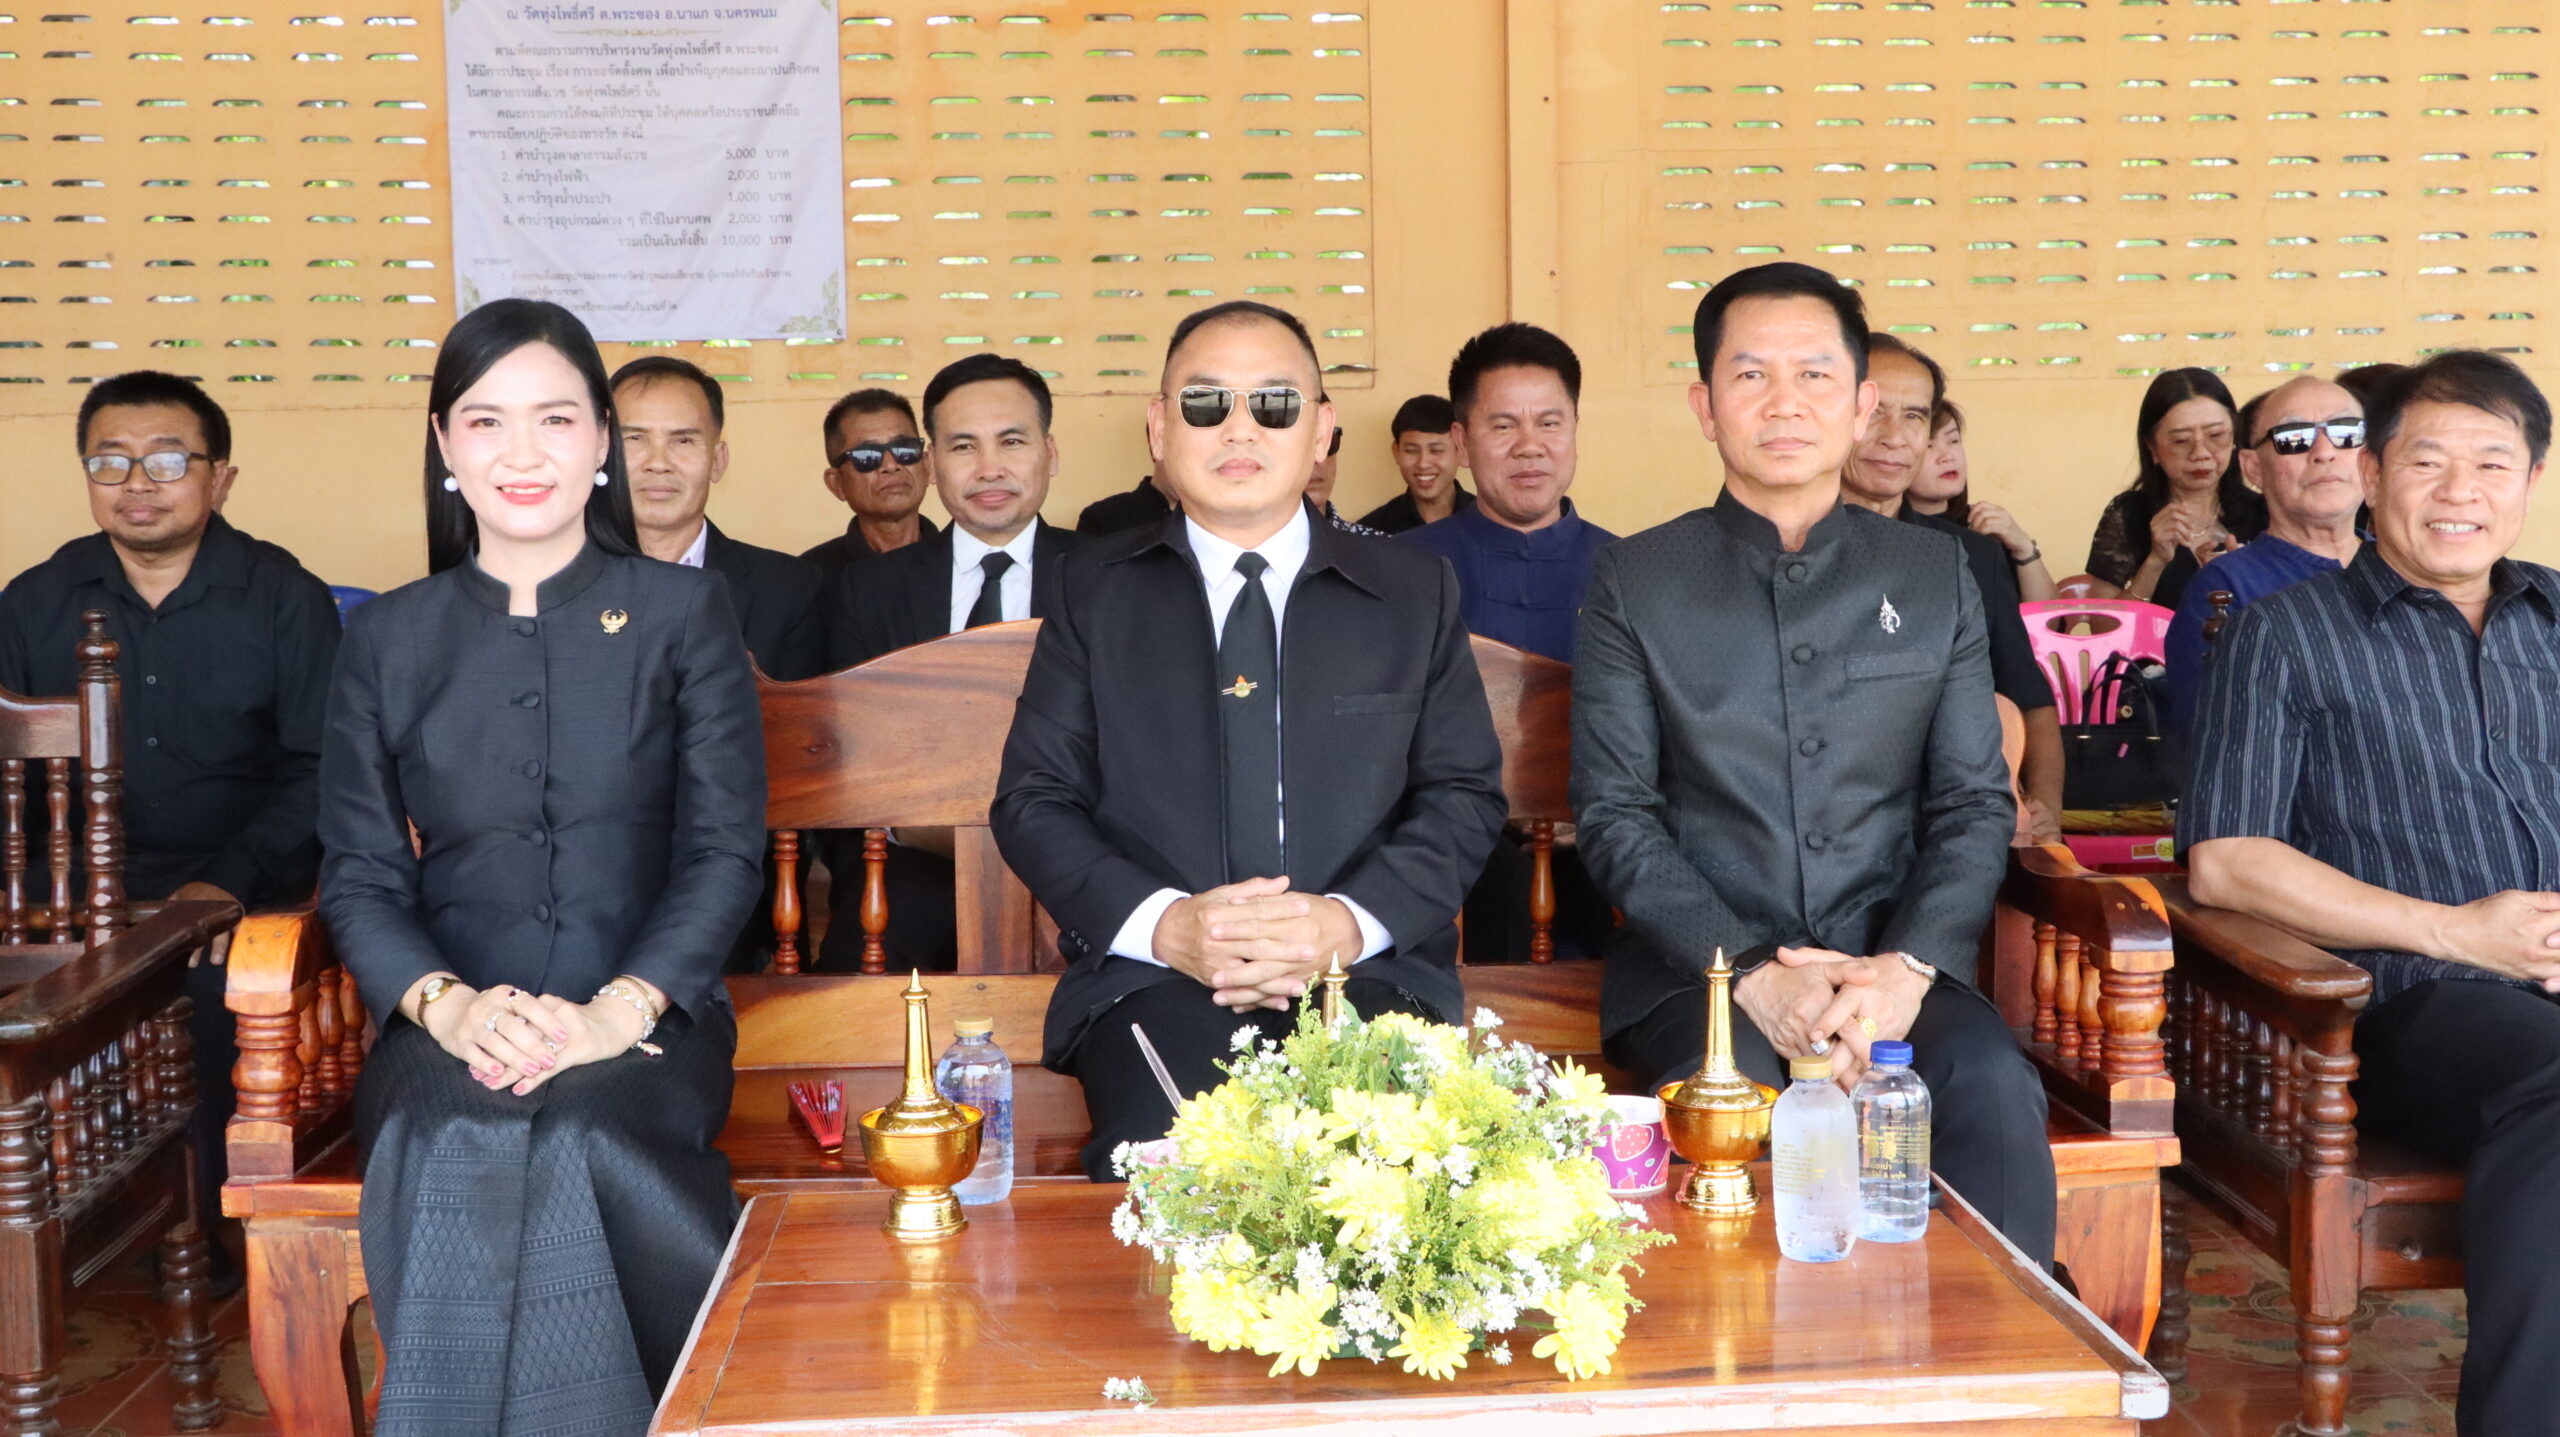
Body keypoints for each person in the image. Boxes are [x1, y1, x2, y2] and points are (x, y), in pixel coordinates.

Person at [319, 299, 764, 1434]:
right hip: (446, 1025)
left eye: (556, 419)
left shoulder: (683, 612)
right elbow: (362, 874)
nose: (523, 454)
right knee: (454, 1127)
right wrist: (450, 1011)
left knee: (582, 1132)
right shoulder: (387, 639)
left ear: (602, 444)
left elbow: (722, 848)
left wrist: (619, 1012)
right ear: (444, 447)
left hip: (651, 1017)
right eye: (486, 422)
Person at [1573, 261, 2054, 1267]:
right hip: (1700, 981)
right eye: (1749, 376)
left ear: (1862, 404)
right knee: (1742, 1101)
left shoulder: (1936, 576)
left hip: (1896, 961)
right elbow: (1615, 814)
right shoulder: (1636, 577)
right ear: (1705, 406)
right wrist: (1747, 972)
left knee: (1991, 1087)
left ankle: (2006, 1391)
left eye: (1814, 376)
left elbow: (1972, 803)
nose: (1783, 403)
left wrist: (1904, 969)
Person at [992, 300, 1506, 1180]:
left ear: (1320, 430)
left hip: (1368, 974)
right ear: (1159, 428)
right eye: (1204, 404)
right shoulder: (1095, 593)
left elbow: (1463, 795)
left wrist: (1344, 923)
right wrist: (1170, 926)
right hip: (1156, 978)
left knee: (1396, 1182)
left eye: (1273, 403)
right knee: (1180, 1175)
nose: (1238, 428)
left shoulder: (1412, 591)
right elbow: (1034, 800)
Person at [2180, 350, 2560, 1436]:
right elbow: (2223, 858)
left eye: (2492, 462)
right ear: (2374, 472)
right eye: (2427, 460)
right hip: (2406, 1005)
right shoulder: (2284, 633)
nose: (2460, 491)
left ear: (2529, 479)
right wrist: (2459, 933)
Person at [0, 369, 340, 1290]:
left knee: (203, 1002)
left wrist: (220, 887)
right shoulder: (33, 603)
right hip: (69, 896)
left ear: (219, 477)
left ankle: (198, 1236)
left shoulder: (284, 600)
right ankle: (54, 1239)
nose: (136, 480)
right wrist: (49, 905)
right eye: (109, 459)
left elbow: (324, 772)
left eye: (165, 458)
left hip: (237, 892)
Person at [820, 352, 1086, 970]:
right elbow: (850, 753)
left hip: (1079, 868)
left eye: (1012, 441)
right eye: (963, 446)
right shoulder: (871, 590)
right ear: (933, 463)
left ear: (1049, 453)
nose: (990, 468)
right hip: (914, 869)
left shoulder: (1106, 577)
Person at [1838, 337, 2064, 841]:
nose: (1895, 437)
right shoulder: (1787, 552)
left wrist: (2046, 804)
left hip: (1961, 829)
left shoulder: (1971, 557)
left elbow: (2028, 698)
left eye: (1916, 417)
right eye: (1874, 412)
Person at [1400, 322, 1617, 664]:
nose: (1529, 447)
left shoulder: (1626, 572)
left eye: (1549, 424)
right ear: (1462, 444)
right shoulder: (1402, 566)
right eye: (1503, 426)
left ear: (1575, 430)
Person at [2161, 375, 2367, 735]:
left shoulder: (2410, 568)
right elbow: (2212, 739)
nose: (2324, 451)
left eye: (2346, 432)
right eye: (2294, 438)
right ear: (2253, 468)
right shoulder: (2225, 586)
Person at [612, 356, 824, 680]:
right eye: (635, 438)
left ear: (717, 461)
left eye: (683, 440)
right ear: (601, 454)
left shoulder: (788, 590)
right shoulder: (551, 580)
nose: (658, 463)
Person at [2084, 367, 2269, 611]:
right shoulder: (2129, 513)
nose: (2201, 453)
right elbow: (2104, 628)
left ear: (2234, 437)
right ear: (2152, 448)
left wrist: (2240, 578)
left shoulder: (2264, 511)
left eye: (2216, 435)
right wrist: (2155, 561)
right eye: (2181, 441)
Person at [1908, 398, 2059, 602]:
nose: (1948, 456)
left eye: (1954, 441)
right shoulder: (1888, 529)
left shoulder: (1985, 524)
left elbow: (2049, 623)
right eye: (1929, 446)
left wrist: (2023, 547)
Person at [801, 388, 939, 577]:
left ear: (928, 465)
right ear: (836, 483)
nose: (890, 465)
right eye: (867, 455)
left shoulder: (967, 561)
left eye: (904, 449)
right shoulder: (811, 577)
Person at [1357, 393, 1475, 534]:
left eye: (1436, 450)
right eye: (1411, 451)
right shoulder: (1371, 532)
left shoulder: (1489, 521)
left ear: (1460, 450)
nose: (1423, 463)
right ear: (1396, 452)